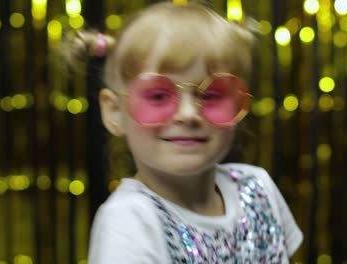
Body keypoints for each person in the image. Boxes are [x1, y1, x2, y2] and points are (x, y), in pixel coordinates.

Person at [63, 1, 303, 263]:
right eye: (157, 96)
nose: (188, 114)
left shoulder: (258, 190)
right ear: (114, 112)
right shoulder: (128, 222)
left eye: (212, 94)